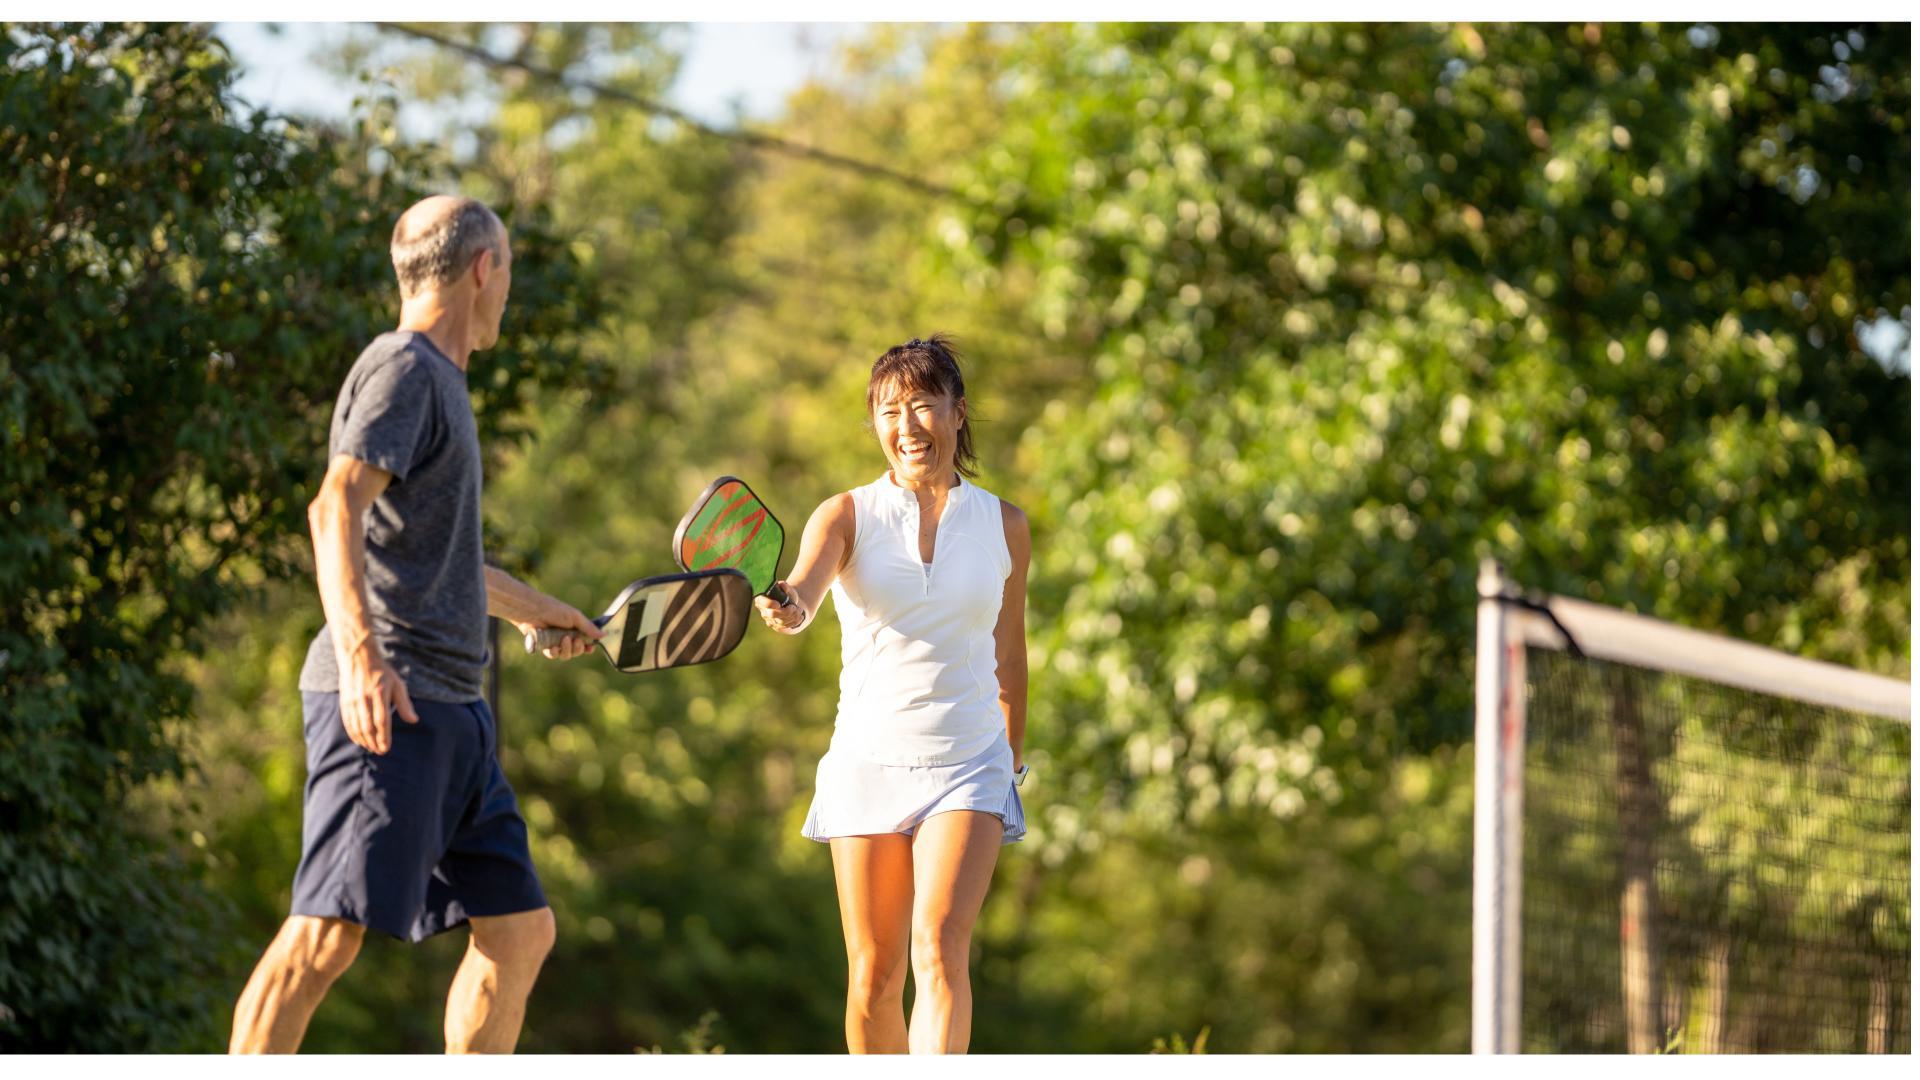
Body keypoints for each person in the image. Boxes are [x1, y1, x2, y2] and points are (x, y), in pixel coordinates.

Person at [228, 195, 603, 1054]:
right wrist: (362, 658)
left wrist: (537, 611)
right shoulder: (404, 370)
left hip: (453, 710)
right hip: (389, 702)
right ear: (483, 270)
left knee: (518, 932)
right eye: (507, 268)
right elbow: (334, 510)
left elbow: (437, 558)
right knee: (326, 934)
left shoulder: (441, 384)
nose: (507, 288)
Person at [755, 334, 1031, 1054]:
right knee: (873, 978)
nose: (906, 425)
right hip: (868, 761)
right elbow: (805, 590)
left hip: (971, 760)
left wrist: (1012, 757)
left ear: (958, 412)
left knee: (939, 947)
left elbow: (1010, 650)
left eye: (922, 406)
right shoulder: (845, 514)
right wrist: (788, 605)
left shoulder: (1005, 524)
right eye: (888, 409)